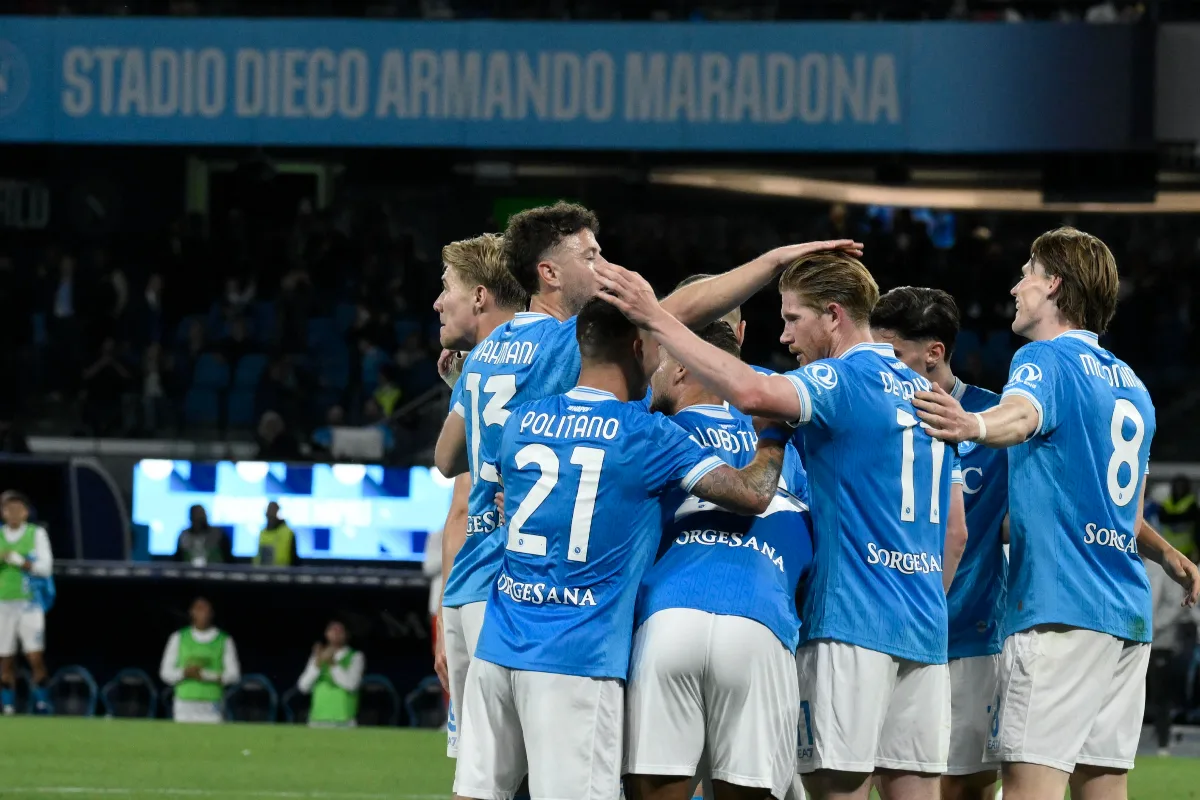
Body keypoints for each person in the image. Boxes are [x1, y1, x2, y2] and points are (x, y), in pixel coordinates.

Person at [596, 250, 967, 800]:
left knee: (837, 787)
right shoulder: (925, 391)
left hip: (851, 620)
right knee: (914, 788)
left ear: (833, 315)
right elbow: (954, 529)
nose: (786, 336)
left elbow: (749, 395)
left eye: (794, 318)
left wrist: (656, 318)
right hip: (924, 621)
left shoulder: (840, 377)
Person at [453, 298, 788, 800]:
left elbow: (508, 490)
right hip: (576, 656)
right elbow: (752, 495)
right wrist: (774, 434)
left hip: (498, 646)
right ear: (639, 347)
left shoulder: (522, 421)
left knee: (477, 794)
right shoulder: (647, 436)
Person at [913, 227, 1200, 800]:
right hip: (1124, 618)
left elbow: (1020, 415)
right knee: (1103, 787)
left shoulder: (1044, 358)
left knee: (1028, 789)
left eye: (1027, 272)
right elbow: (1118, 507)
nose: (1017, 286)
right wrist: (1169, 554)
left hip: (1058, 611)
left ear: (1054, 285)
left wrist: (974, 424)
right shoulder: (1134, 388)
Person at [625, 320, 814, 800]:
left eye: (659, 362)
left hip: (667, 617)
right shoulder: (783, 446)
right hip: (761, 621)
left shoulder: (652, 433)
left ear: (684, 367)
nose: (651, 374)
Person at [871, 287, 1009, 800]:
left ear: (934, 352)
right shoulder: (873, 415)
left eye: (895, 354)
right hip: (887, 631)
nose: (883, 367)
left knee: (965, 785)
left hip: (969, 635)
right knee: (887, 777)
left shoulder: (995, 421)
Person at [0, 491, 53, 715]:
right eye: (7, 509)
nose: (12, 513)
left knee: (34, 657)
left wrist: (20, 561)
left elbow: (45, 568)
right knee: (5, 659)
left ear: (25, 512)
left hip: (30, 604)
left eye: (17, 508)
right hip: (3, 604)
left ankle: (41, 703)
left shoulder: (36, 534)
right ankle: (8, 705)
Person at [159, 597, 241, 723]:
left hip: (212, 704)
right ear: (192, 612)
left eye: (205, 610)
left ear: (212, 613)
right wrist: (185, 673)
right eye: (198, 609)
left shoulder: (224, 640)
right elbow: (165, 673)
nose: (202, 614)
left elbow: (234, 675)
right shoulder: (178, 637)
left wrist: (206, 676)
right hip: (184, 704)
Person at [297, 620, 365, 728]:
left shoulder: (356, 657)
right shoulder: (317, 656)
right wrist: (317, 665)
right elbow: (303, 687)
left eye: (339, 631)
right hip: (317, 719)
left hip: (344, 721)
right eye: (332, 630)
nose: (336, 633)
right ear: (326, 633)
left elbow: (352, 685)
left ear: (346, 634)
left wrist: (332, 664)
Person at [1158, 475, 1199, 561]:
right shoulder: (1166, 502)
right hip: (1168, 546)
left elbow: (1190, 519)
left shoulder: (1191, 502)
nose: (1179, 489)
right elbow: (1162, 518)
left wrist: (1172, 518)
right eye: (1177, 486)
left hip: (1186, 548)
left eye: (1182, 486)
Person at [255, 501, 297, 567]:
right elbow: (259, 557)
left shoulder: (288, 532)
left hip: (283, 573)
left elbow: (294, 559)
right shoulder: (262, 533)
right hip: (263, 572)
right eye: (269, 511)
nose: (270, 514)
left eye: (273, 510)